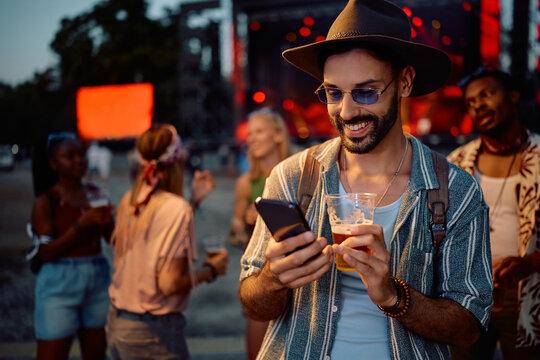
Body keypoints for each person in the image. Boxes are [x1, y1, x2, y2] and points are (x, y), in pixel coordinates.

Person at [238, 1, 493, 359]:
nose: (346, 111)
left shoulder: (456, 192)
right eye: (333, 92)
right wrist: (272, 279)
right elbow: (253, 305)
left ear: (404, 82)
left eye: (366, 91)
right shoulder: (293, 177)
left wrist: (393, 295)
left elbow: (469, 328)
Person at [105, 124, 229, 359]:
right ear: (177, 162)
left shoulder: (129, 200)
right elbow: (170, 284)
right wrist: (212, 270)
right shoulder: (175, 208)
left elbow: (154, 237)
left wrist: (193, 201)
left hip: (118, 323)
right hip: (153, 334)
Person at [448, 64, 540, 359]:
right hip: (466, 293)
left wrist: (529, 264)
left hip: (527, 293)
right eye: (471, 103)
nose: (479, 106)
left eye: (487, 94)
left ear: (513, 96)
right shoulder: (457, 163)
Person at [30, 132, 115, 360]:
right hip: (59, 283)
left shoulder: (96, 194)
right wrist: (81, 224)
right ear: (53, 163)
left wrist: (114, 219)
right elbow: (46, 253)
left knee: (97, 353)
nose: (80, 160)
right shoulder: (46, 201)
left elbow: (113, 240)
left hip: (97, 279)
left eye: (82, 154)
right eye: (70, 156)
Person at [229, 108, 291, 359]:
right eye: (249, 133)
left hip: (298, 280)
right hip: (261, 281)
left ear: (277, 136)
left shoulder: (298, 173)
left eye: (259, 131)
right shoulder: (247, 182)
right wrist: (244, 225)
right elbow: (234, 237)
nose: (251, 138)